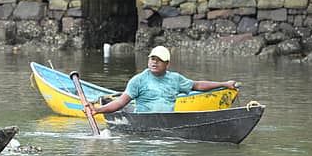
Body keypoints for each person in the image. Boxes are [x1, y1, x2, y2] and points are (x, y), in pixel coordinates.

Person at [84, 45, 237, 115]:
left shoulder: (175, 79)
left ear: (167, 64)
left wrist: (224, 84)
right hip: (143, 122)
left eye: (159, 60)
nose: (154, 63)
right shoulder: (138, 80)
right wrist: (98, 110)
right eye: (152, 59)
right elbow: (120, 103)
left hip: (168, 120)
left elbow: (197, 85)